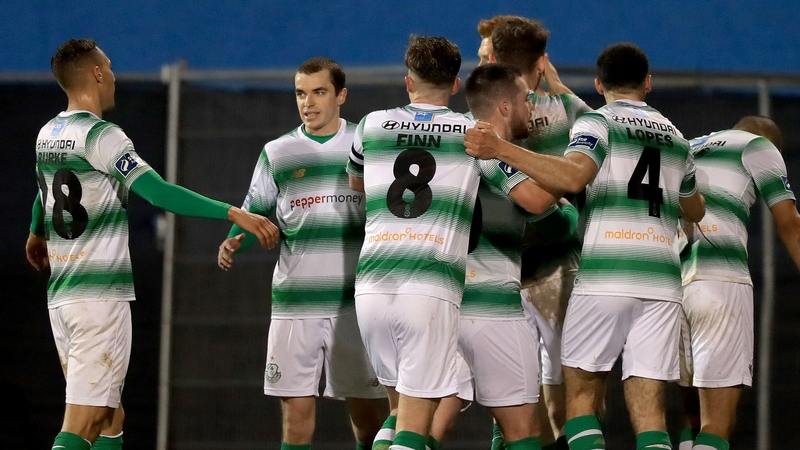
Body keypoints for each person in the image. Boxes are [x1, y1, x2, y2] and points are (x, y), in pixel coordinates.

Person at [25, 38, 279, 450]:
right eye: (108, 66)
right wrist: (234, 213)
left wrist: (36, 233)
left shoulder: (48, 133)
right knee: (84, 423)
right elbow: (159, 193)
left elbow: (43, 194)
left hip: (64, 295)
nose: (113, 75)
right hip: (98, 298)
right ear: (96, 74)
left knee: (110, 416)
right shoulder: (103, 136)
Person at [464, 42, 706, 450]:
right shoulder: (676, 137)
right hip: (663, 283)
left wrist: (501, 149)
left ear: (599, 84)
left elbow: (574, 177)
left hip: (605, 276)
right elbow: (695, 208)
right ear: (647, 83)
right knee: (650, 412)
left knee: (579, 398)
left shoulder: (597, 124)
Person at [347, 36, 553, 450]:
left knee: (399, 411)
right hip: (429, 289)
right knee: (415, 426)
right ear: (456, 85)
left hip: (371, 288)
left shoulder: (369, 125)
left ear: (408, 82)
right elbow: (534, 199)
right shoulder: (472, 135)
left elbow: (357, 187)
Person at [216, 57, 387, 450]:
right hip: (296, 304)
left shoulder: (368, 142)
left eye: (319, 92)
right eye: (301, 93)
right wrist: (233, 238)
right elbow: (253, 208)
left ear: (341, 95)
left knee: (370, 422)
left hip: (355, 303)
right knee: (296, 422)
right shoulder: (278, 152)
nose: (308, 102)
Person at [460, 62, 581, 450]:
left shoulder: (447, 135)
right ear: (505, 108)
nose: (532, 107)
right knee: (524, 427)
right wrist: (571, 208)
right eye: (526, 100)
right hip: (493, 300)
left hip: (435, 295)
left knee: (424, 416)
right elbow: (548, 205)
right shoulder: (490, 148)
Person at [489, 17, 592, 449]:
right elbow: (604, 127)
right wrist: (564, 88)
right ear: (543, 62)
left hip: (500, 269)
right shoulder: (569, 111)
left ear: (493, 61)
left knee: (508, 404)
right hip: (558, 267)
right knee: (575, 398)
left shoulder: (479, 116)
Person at [677, 116, 800, 450]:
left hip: (671, 287)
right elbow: (789, 223)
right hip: (720, 283)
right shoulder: (759, 146)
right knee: (718, 423)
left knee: (691, 417)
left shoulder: (686, 146)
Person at [476, 15, 573, 97]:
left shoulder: (562, 113)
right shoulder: (476, 117)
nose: (479, 67)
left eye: (488, 60)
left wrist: (556, 86)